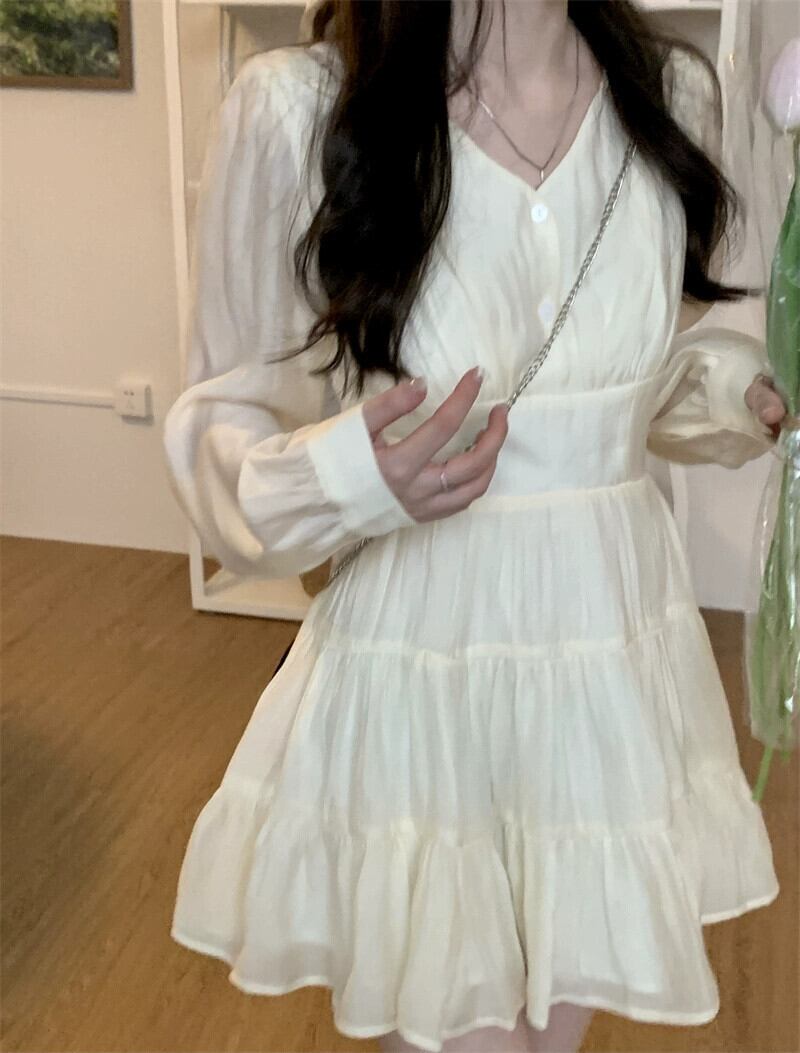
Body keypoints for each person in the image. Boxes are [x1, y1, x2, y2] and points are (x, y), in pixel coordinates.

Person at [161, 2, 788, 1051]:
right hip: (426, 656)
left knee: (553, 1024)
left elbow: (630, 381)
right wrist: (349, 474)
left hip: (607, 652)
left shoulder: (673, 96)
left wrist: (737, 394)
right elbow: (226, 417)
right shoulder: (297, 111)